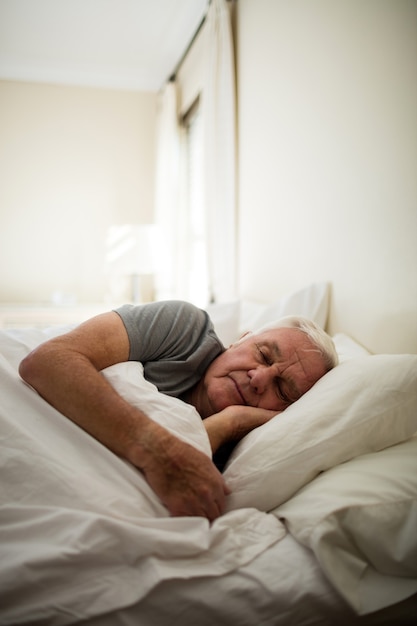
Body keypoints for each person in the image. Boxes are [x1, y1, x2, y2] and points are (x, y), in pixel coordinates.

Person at [19, 300, 338, 522]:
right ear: (241, 340)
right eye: (264, 355)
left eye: (283, 389)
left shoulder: (251, 449)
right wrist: (155, 449)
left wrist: (230, 423)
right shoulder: (187, 330)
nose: (259, 378)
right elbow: (48, 360)